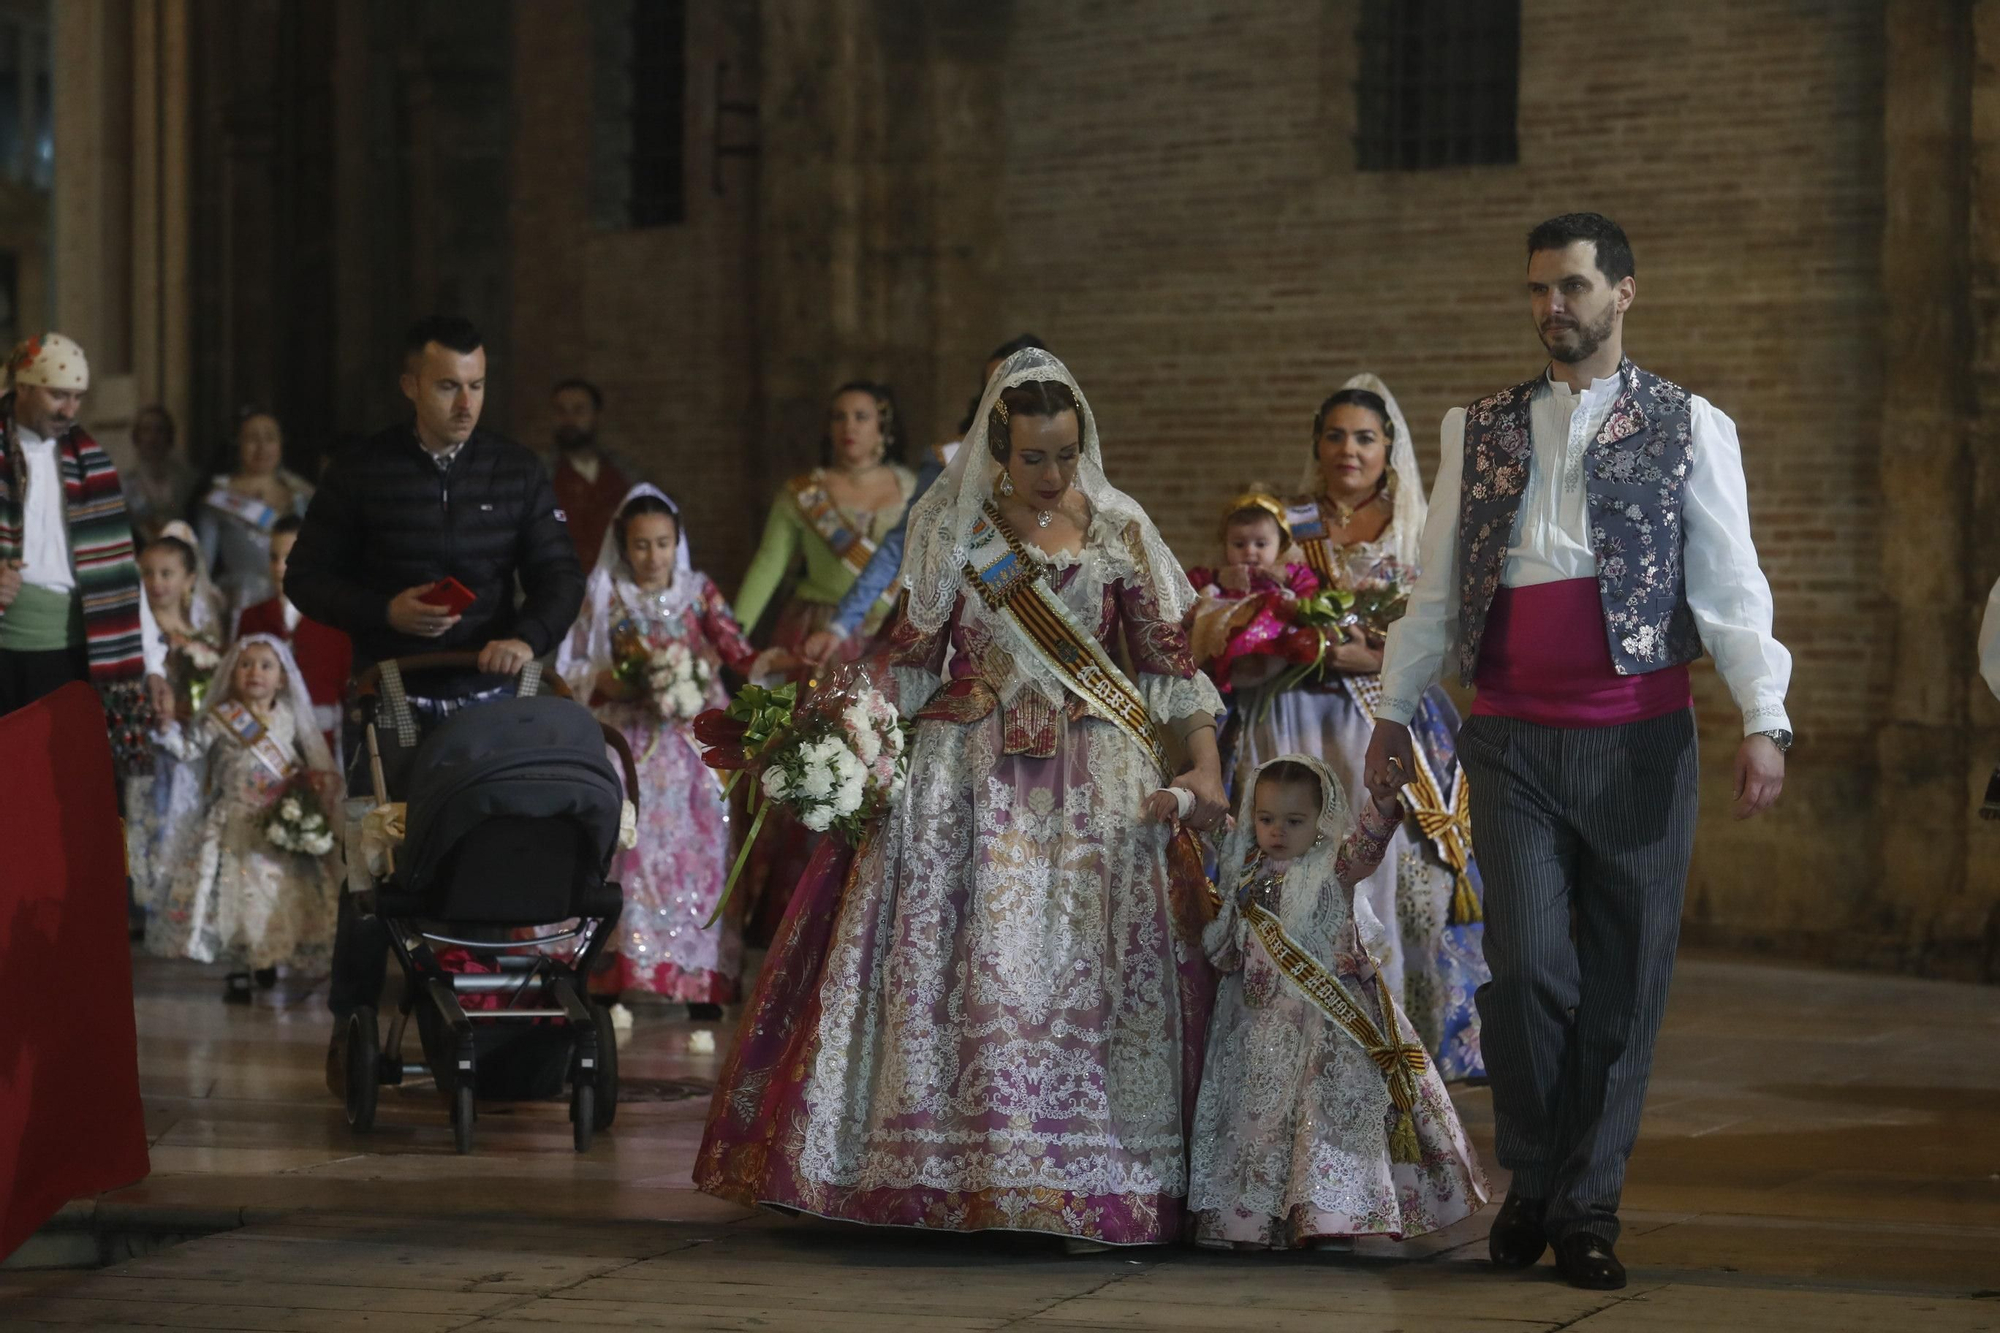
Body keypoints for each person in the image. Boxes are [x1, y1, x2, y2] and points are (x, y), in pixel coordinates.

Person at [695, 348, 1230, 1250]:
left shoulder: (1121, 529)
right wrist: (854, 749)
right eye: (1034, 458)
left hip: (1097, 776)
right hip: (966, 780)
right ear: (997, 448)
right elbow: (909, 660)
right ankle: (952, 1176)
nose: (1053, 475)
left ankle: (1092, 1178)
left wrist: (1206, 768)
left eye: (1066, 453)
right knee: (974, 970)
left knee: (1086, 978)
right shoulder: (953, 531)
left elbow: (1166, 668)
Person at [1364, 213, 1793, 1291]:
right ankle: (1536, 1177)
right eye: (1535, 290)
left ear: (1623, 294)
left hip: (1641, 741)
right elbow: (1434, 585)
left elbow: (1730, 586)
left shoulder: (1691, 424)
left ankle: (1584, 1206)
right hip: (1505, 737)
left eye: (1569, 287)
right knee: (1528, 975)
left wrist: (1762, 716)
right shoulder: (1480, 426)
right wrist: (1388, 710)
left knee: (1624, 984)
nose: (1549, 306)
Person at [286, 314, 585, 1086]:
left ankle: (497, 1027)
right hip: (392, 699)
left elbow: (560, 575)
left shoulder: (515, 471)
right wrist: (383, 611)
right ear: (411, 384)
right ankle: (354, 1019)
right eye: (449, 384)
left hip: (494, 707)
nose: (465, 402)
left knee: (491, 860)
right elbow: (305, 578)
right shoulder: (361, 470)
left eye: (478, 385)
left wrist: (526, 636)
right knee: (373, 869)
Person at [1222, 377, 1489, 1084]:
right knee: (1285, 863)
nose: (1349, 449)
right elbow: (1246, 602)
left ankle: (1397, 1039)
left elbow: (1447, 630)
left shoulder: (1417, 522)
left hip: (1380, 714)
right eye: (1335, 435)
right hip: (1291, 717)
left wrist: (1374, 654)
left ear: (1389, 447)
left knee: (1385, 871)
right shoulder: (1288, 520)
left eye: (1365, 437)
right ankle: (1284, 1033)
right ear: (1317, 443)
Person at [1190, 754, 1487, 1250]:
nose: (1277, 831)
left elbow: (1369, 846)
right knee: (1254, 1123)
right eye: (1266, 819)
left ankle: (1329, 1217)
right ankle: (1248, 1221)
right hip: (1253, 1026)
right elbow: (1207, 819)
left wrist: (1384, 801)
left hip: (1323, 1028)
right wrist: (1180, 801)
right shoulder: (1247, 863)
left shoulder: (1335, 867)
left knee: (1322, 1121)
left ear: (1323, 819)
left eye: (1294, 821)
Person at [556, 484, 787, 1011]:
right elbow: (571, 667)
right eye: (641, 545)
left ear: (678, 542)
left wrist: (782, 662)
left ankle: (699, 975)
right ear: (623, 545)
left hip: (691, 739)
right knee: (623, 831)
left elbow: (737, 651)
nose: (653, 557)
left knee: (707, 829)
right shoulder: (606, 595)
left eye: (662, 543)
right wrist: (610, 680)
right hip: (628, 735)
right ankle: (617, 967)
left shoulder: (699, 591)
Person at [802, 334, 1047, 665]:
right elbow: (900, 543)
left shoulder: (1068, 461)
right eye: (994, 387)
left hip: (1049, 623)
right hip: (969, 633)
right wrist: (841, 625)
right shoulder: (950, 460)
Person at [0, 333, 169, 768]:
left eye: (78, 398)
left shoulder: (92, 463)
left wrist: (152, 662)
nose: (70, 410)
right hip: (6, 655)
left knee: (65, 789)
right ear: (22, 386)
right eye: (59, 395)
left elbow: (118, 576)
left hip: (75, 657)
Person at [144, 634, 342, 1003]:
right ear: (232, 673)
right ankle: (239, 967)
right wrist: (167, 730)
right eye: (246, 664)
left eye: (266, 665)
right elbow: (189, 750)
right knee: (235, 897)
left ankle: (266, 957)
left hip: (278, 827)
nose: (255, 672)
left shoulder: (288, 718)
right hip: (232, 825)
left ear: (282, 678)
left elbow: (307, 762)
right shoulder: (222, 719)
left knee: (275, 895)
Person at [734, 380, 916, 658]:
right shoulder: (804, 493)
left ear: (884, 427)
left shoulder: (913, 490)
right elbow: (768, 565)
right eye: (839, 417)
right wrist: (730, 637)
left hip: (893, 630)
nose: (849, 427)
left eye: (861, 417)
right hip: (819, 629)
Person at [124, 525, 227, 920]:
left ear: (188, 578)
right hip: (150, 743)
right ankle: (143, 905)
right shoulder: (138, 635)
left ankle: (183, 904)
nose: (156, 583)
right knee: (146, 818)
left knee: (189, 819)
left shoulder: (204, 633)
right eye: (147, 573)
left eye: (166, 573)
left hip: (193, 745)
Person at [235, 514, 352, 759]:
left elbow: (346, 689)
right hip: (266, 746)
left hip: (325, 742)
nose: (278, 567)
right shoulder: (251, 617)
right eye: (273, 558)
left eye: (289, 558)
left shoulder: (335, 619)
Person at [1184, 491, 1320, 695]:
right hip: (1225, 644)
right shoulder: (1217, 574)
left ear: (1280, 544)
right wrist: (1196, 606)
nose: (1249, 552)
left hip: (1273, 648)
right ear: (1225, 544)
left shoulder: (1288, 572)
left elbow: (1308, 589)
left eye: (1261, 544)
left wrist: (1296, 603)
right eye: (1239, 544)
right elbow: (1185, 589)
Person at [195, 409, 314, 619]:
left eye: (270, 438)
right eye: (252, 438)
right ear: (237, 443)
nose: (262, 447)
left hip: (296, 601)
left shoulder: (302, 495)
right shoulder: (219, 499)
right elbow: (202, 567)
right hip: (242, 601)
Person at [545, 377, 633, 573]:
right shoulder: (541, 477)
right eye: (561, 411)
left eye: (578, 410)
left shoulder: (625, 475)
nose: (569, 420)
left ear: (596, 415)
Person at [123, 404, 197, 545]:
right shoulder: (126, 485)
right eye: (146, 430)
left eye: (160, 430)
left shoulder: (188, 480)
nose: (153, 437)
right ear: (137, 437)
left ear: (169, 436)